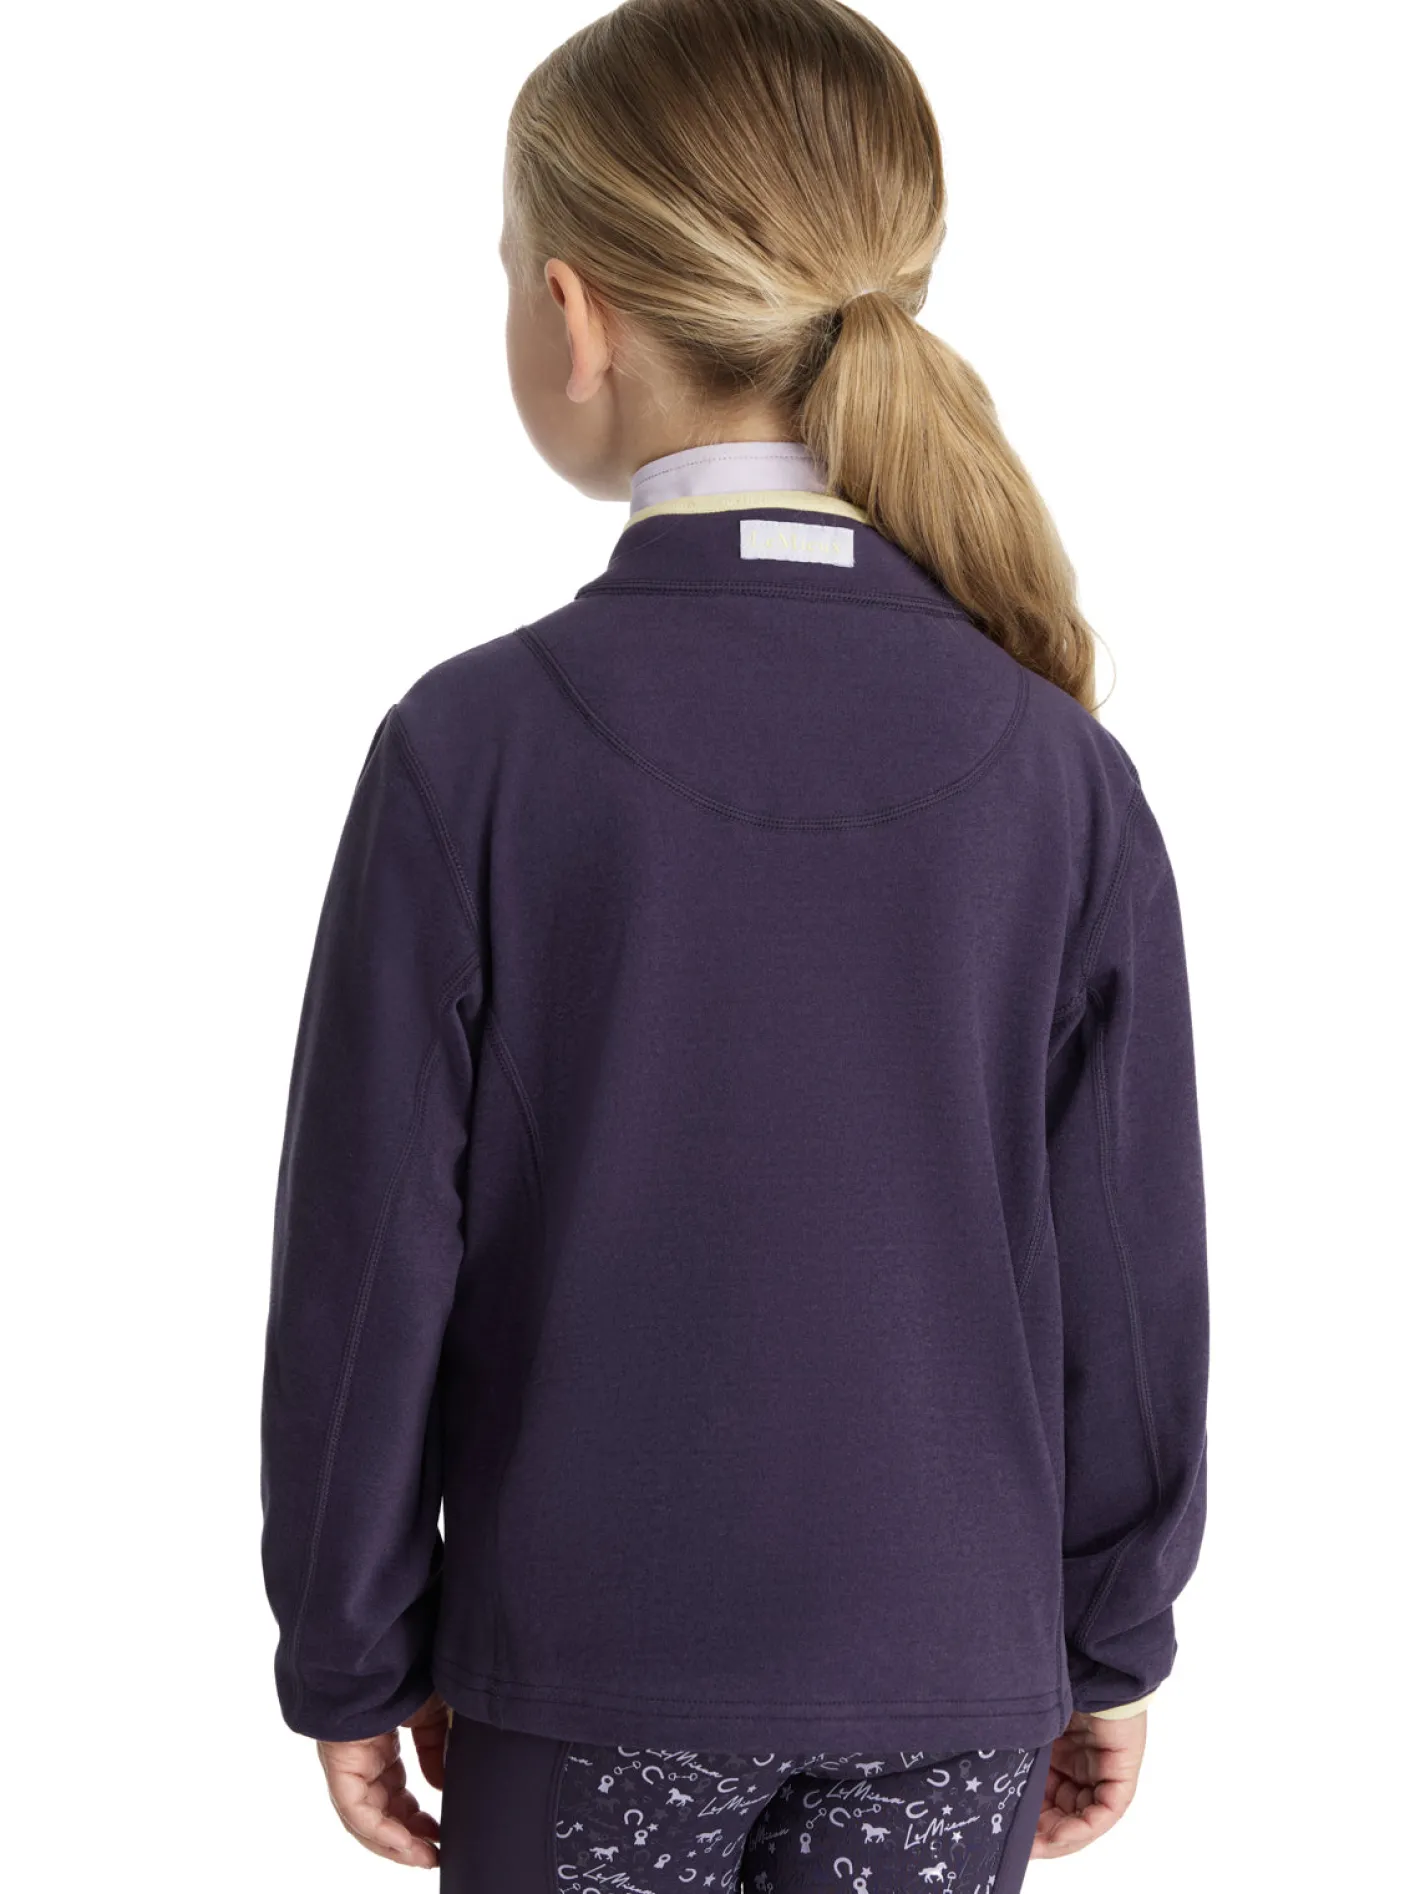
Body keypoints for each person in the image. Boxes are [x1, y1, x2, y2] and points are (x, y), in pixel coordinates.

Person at [258, 1, 1210, 1887]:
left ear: (574, 312)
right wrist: (1112, 1638)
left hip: (583, 1673)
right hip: (954, 1678)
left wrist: (348, 1649)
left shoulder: (473, 752)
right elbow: (1131, 1276)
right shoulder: (1061, 772)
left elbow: (368, 1269)